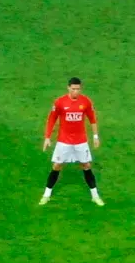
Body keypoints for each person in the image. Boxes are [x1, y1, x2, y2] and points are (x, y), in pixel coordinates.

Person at [39, 78, 103, 206]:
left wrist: (95, 136)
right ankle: (46, 195)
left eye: (78, 89)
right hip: (64, 141)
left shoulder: (85, 102)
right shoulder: (60, 102)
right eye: (73, 89)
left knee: (86, 166)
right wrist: (47, 137)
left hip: (80, 141)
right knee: (57, 166)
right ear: (68, 88)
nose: (76, 91)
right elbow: (51, 119)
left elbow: (92, 119)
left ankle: (95, 196)